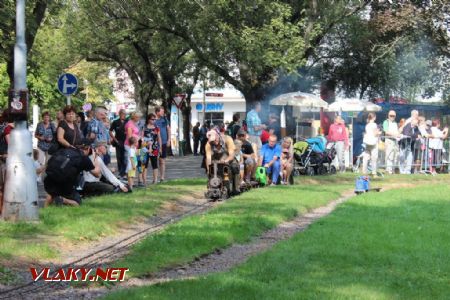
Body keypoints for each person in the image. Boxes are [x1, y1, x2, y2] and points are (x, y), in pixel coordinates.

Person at [44, 139, 101, 207]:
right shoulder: (83, 158)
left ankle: (45, 210)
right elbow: (97, 174)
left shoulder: (64, 150)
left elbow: (49, 164)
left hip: (49, 181)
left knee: (52, 193)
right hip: (65, 186)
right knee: (77, 203)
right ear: (88, 148)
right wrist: (95, 157)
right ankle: (63, 200)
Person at [205, 127, 240, 194]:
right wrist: (209, 169)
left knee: (234, 167)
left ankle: (236, 188)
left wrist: (225, 161)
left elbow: (232, 155)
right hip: (216, 159)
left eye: (215, 139)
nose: (215, 142)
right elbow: (208, 158)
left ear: (218, 135)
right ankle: (212, 186)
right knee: (210, 170)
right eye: (212, 141)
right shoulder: (208, 144)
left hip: (228, 158)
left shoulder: (228, 139)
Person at [142, 113, 161, 184]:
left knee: (154, 164)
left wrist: (160, 147)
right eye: (152, 119)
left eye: (155, 119)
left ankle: (155, 180)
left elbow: (159, 138)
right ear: (148, 119)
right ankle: (144, 181)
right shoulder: (144, 127)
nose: (154, 121)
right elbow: (141, 137)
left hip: (154, 148)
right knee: (145, 164)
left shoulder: (156, 127)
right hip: (145, 148)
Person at [110, 109, 127, 178]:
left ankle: (124, 173)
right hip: (118, 142)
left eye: (125, 114)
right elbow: (110, 131)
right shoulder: (115, 122)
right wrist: (115, 140)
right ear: (120, 114)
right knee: (119, 157)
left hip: (126, 142)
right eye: (123, 114)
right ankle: (120, 173)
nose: (124, 115)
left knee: (125, 158)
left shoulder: (127, 122)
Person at [362, 113, 381, 177]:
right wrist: (379, 132)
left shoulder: (367, 125)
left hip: (367, 143)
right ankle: (374, 173)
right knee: (374, 158)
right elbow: (375, 134)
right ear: (374, 117)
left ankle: (364, 172)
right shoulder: (374, 124)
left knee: (366, 158)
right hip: (373, 143)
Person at [155, 106, 170, 182]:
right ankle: (155, 178)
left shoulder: (165, 119)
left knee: (162, 160)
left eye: (163, 111)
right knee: (155, 161)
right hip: (155, 144)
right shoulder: (153, 121)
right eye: (161, 111)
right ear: (157, 112)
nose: (163, 113)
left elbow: (168, 129)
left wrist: (169, 140)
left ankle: (162, 177)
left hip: (164, 142)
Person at [382, 110, 399, 174]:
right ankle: (388, 170)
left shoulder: (395, 123)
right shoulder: (386, 122)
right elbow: (386, 132)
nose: (392, 117)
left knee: (395, 156)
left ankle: (393, 169)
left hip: (395, 141)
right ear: (388, 115)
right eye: (391, 115)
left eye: (393, 116)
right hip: (389, 140)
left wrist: (398, 135)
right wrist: (394, 135)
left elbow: (397, 131)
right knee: (389, 156)